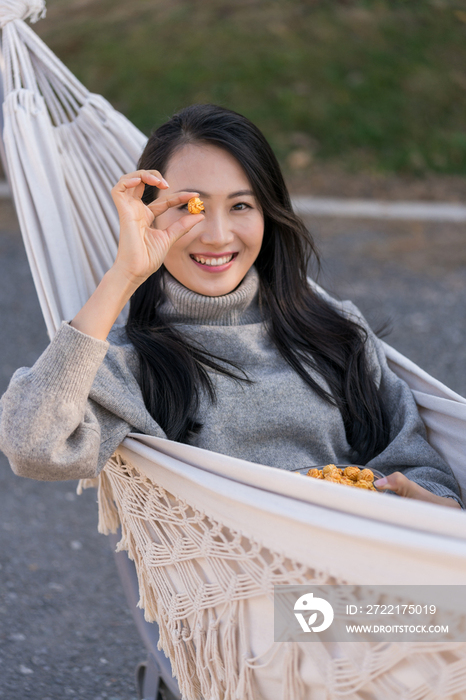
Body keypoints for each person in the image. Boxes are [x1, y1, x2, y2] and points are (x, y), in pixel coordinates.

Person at [0, 104, 461, 508]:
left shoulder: (334, 329)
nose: (218, 235)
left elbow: (422, 468)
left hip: (371, 579)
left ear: (268, 214)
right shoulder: (129, 365)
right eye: (191, 206)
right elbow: (32, 445)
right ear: (151, 213)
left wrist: (420, 503)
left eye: (241, 206)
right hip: (240, 589)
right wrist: (124, 276)